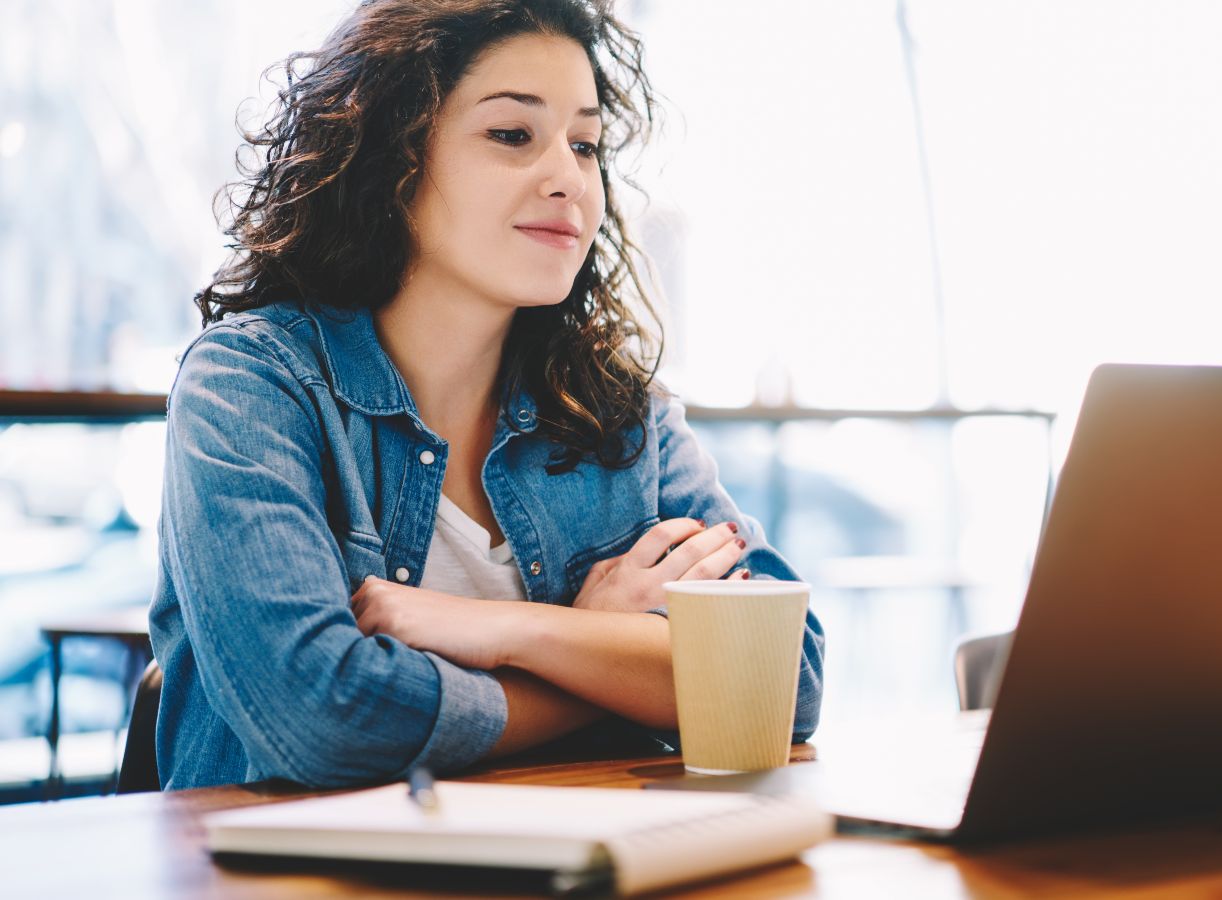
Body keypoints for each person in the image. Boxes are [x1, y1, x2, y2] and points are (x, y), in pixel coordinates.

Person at [148, 0, 823, 790]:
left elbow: (783, 677)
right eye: (512, 135)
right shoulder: (250, 385)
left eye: (586, 144)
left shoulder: (615, 411)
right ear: (389, 157)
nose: (569, 178)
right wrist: (597, 656)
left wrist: (509, 630)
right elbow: (326, 720)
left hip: (579, 862)